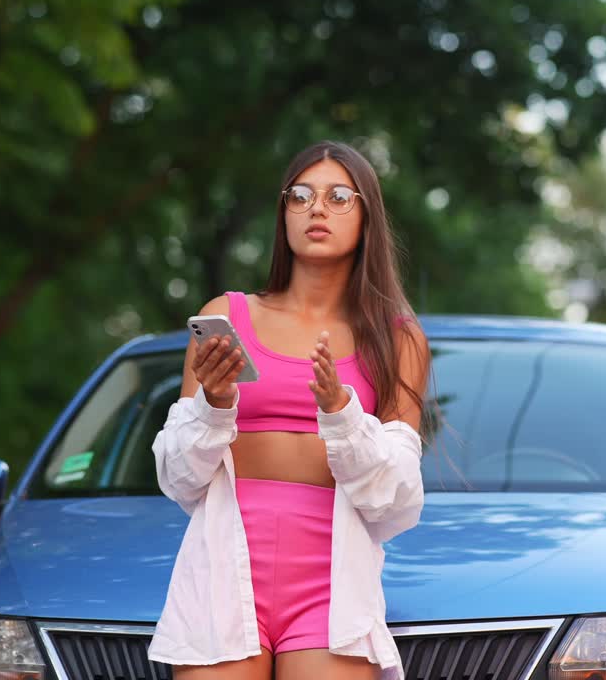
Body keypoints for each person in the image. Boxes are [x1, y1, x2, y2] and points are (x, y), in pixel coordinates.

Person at [147, 140, 431, 680]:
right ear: (283, 215)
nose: (316, 208)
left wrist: (341, 411)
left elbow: (398, 502)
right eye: (299, 196)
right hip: (221, 577)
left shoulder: (397, 337)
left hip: (332, 586)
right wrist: (215, 402)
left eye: (338, 196)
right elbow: (178, 479)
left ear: (367, 214)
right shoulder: (223, 316)